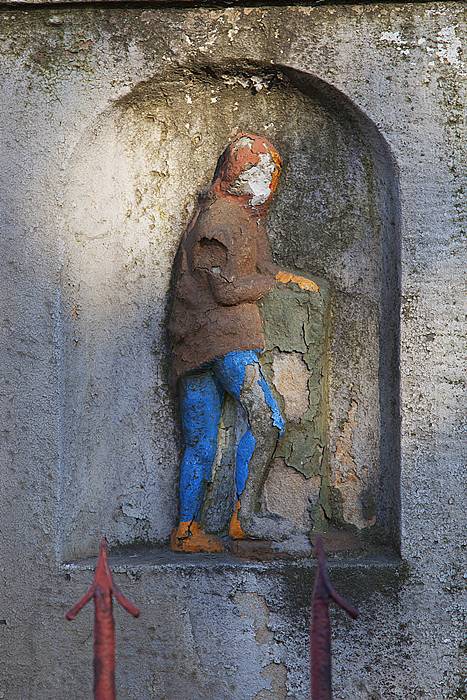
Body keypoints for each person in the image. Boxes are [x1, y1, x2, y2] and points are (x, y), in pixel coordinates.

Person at [169, 133, 319, 553]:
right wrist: (271, 284)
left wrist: (277, 275)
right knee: (267, 420)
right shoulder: (219, 220)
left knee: (201, 441)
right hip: (222, 340)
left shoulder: (245, 220)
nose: (266, 181)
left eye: (271, 172)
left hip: (196, 345)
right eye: (257, 171)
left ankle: (187, 529)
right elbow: (227, 289)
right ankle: (244, 515)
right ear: (234, 173)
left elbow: (260, 266)